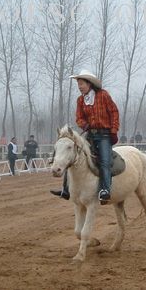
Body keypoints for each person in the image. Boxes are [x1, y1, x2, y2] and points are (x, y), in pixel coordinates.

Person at [50, 69, 119, 202]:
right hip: (90, 134)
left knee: (104, 161)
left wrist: (114, 130)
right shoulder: (80, 100)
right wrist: (84, 125)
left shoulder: (103, 95)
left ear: (89, 84)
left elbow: (114, 112)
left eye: (81, 84)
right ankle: (66, 189)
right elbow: (79, 118)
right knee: (71, 156)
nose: (80, 87)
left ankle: (105, 190)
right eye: (78, 85)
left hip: (104, 135)